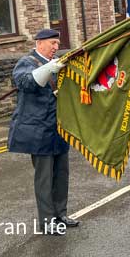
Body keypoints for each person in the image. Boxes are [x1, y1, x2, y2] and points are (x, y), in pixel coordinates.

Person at [8, 29, 78, 236]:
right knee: (44, 179)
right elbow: (25, 82)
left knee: (61, 175)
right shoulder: (27, 62)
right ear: (39, 43)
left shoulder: (57, 62)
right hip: (38, 129)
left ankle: (61, 214)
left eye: (57, 43)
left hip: (58, 128)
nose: (56, 47)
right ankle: (47, 221)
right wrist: (50, 67)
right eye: (52, 43)